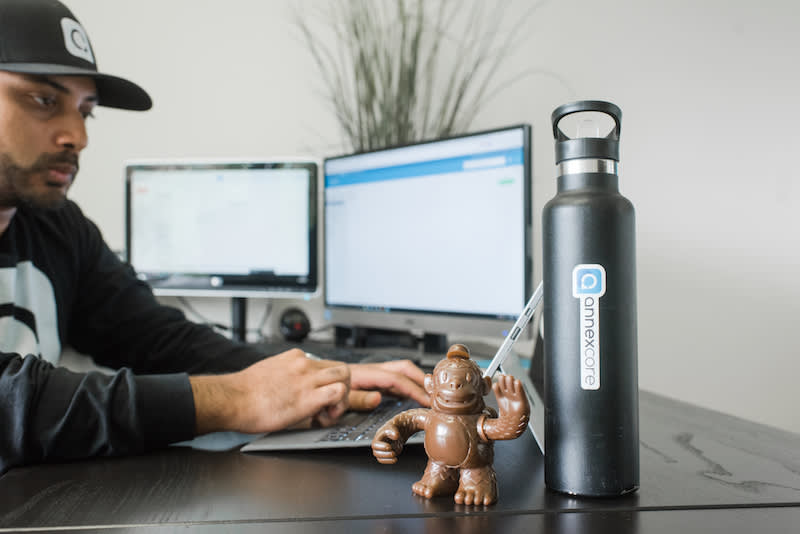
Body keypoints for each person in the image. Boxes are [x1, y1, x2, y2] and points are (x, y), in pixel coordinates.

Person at [0, 0, 429, 475]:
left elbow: (156, 337)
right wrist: (236, 398)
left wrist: (316, 374)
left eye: (87, 112)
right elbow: (12, 400)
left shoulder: (56, 228)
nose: (77, 135)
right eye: (44, 100)